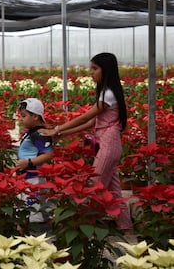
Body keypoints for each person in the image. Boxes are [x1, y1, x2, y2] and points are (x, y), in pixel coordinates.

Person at [38, 52, 133, 233]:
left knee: (93, 188)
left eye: (95, 68)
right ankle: (126, 227)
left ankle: (85, 227)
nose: (91, 72)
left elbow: (85, 117)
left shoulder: (109, 94)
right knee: (113, 191)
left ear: (107, 71)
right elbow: (91, 123)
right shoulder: (107, 93)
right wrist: (61, 134)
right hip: (109, 145)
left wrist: (56, 129)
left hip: (108, 146)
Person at [16, 98, 54, 223]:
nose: (21, 119)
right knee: (35, 207)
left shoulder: (38, 134)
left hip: (34, 178)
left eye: (24, 116)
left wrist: (29, 162)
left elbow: (48, 154)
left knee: (34, 209)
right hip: (27, 177)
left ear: (36, 117)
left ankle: (36, 233)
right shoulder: (31, 132)